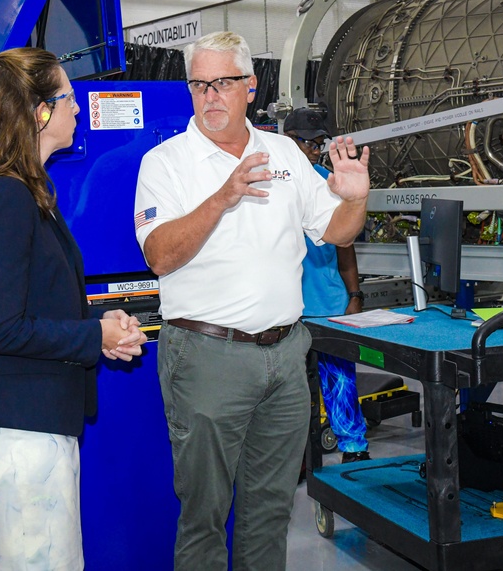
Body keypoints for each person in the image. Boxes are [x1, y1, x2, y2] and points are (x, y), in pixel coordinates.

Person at [133, 31, 369, 571]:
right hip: (205, 357)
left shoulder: (283, 152)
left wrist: (356, 198)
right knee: (204, 514)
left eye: (223, 83)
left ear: (250, 86)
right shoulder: (165, 163)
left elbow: (336, 231)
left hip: (286, 357)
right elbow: (160, 256)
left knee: (270, 508)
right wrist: (223, 196)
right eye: (199, 85)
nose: (210, 95)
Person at [0, 47, 146, 571]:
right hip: (20, 433)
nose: (77, 108)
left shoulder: (27, 192)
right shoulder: (4, 197)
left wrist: (99, 323)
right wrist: (95, 339)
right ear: (39, 111)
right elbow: (2, 329)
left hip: (33, 425)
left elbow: (37, 301)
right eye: (67, 97)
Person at [284, 107, 370, 463]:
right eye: (309, 142)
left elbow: (344, 246)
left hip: (330, 305)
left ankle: (353, 447)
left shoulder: (331, 183)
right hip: (287, 309)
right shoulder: (272, 185)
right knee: (290, 391)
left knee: (339, 381)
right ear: (287, 141)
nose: (316, 150)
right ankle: (299, 458)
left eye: (321, 142)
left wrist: (354, 294)